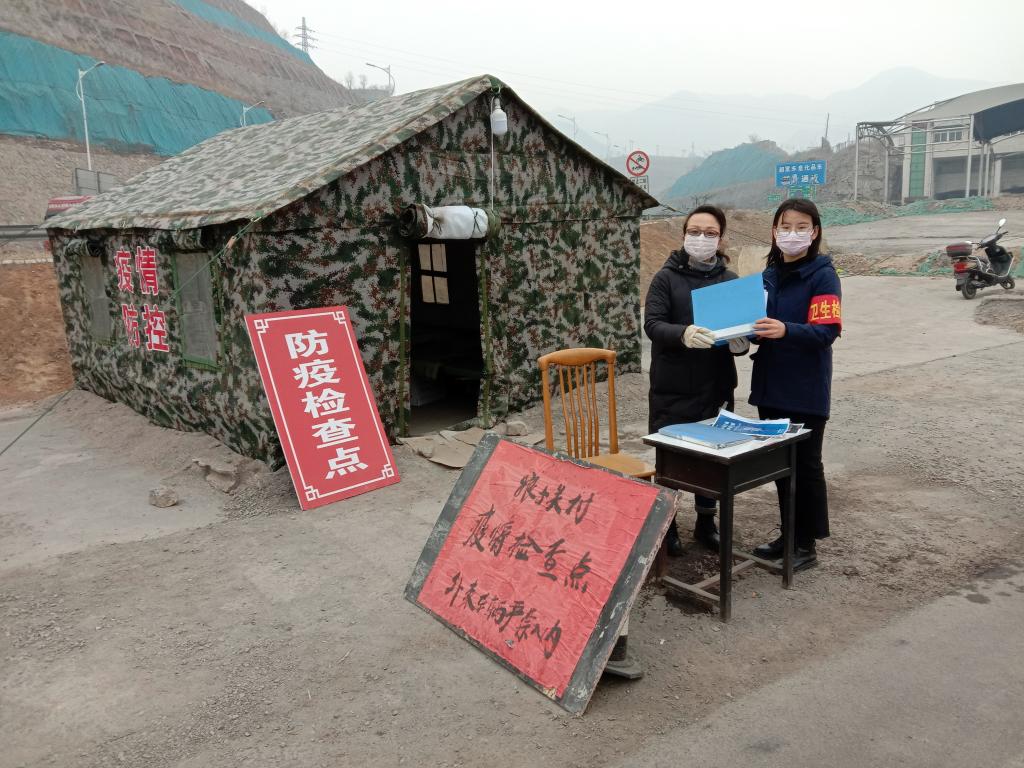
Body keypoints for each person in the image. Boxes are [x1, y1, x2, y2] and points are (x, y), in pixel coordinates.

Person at [644, 205, 749, 556]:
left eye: (710, 233)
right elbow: (653, 324)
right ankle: (668, 526)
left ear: (721, 239)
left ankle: (707, 523)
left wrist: (741, 341)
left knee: (711, 459)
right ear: (684, 234)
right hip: (673, 386)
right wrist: (683, 333)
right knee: (671, 457)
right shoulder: (666, 278)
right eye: (695, 231)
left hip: (715, 384)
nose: (701, 238)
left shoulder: (729, 281)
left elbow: (741, 328)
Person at [749, 198, 841, 571]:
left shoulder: (822, 275)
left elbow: (826, 332)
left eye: (801, 227)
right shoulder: (768, 275)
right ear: (774, 231)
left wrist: (786, 330)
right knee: (780, 465)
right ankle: (788, 535)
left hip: (805, 387)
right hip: (771, 384)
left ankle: (806, 544)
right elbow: (759, 325)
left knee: (805, 465)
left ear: (814, 232)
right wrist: (746, 332)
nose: (792, 234)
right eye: (785, 227)